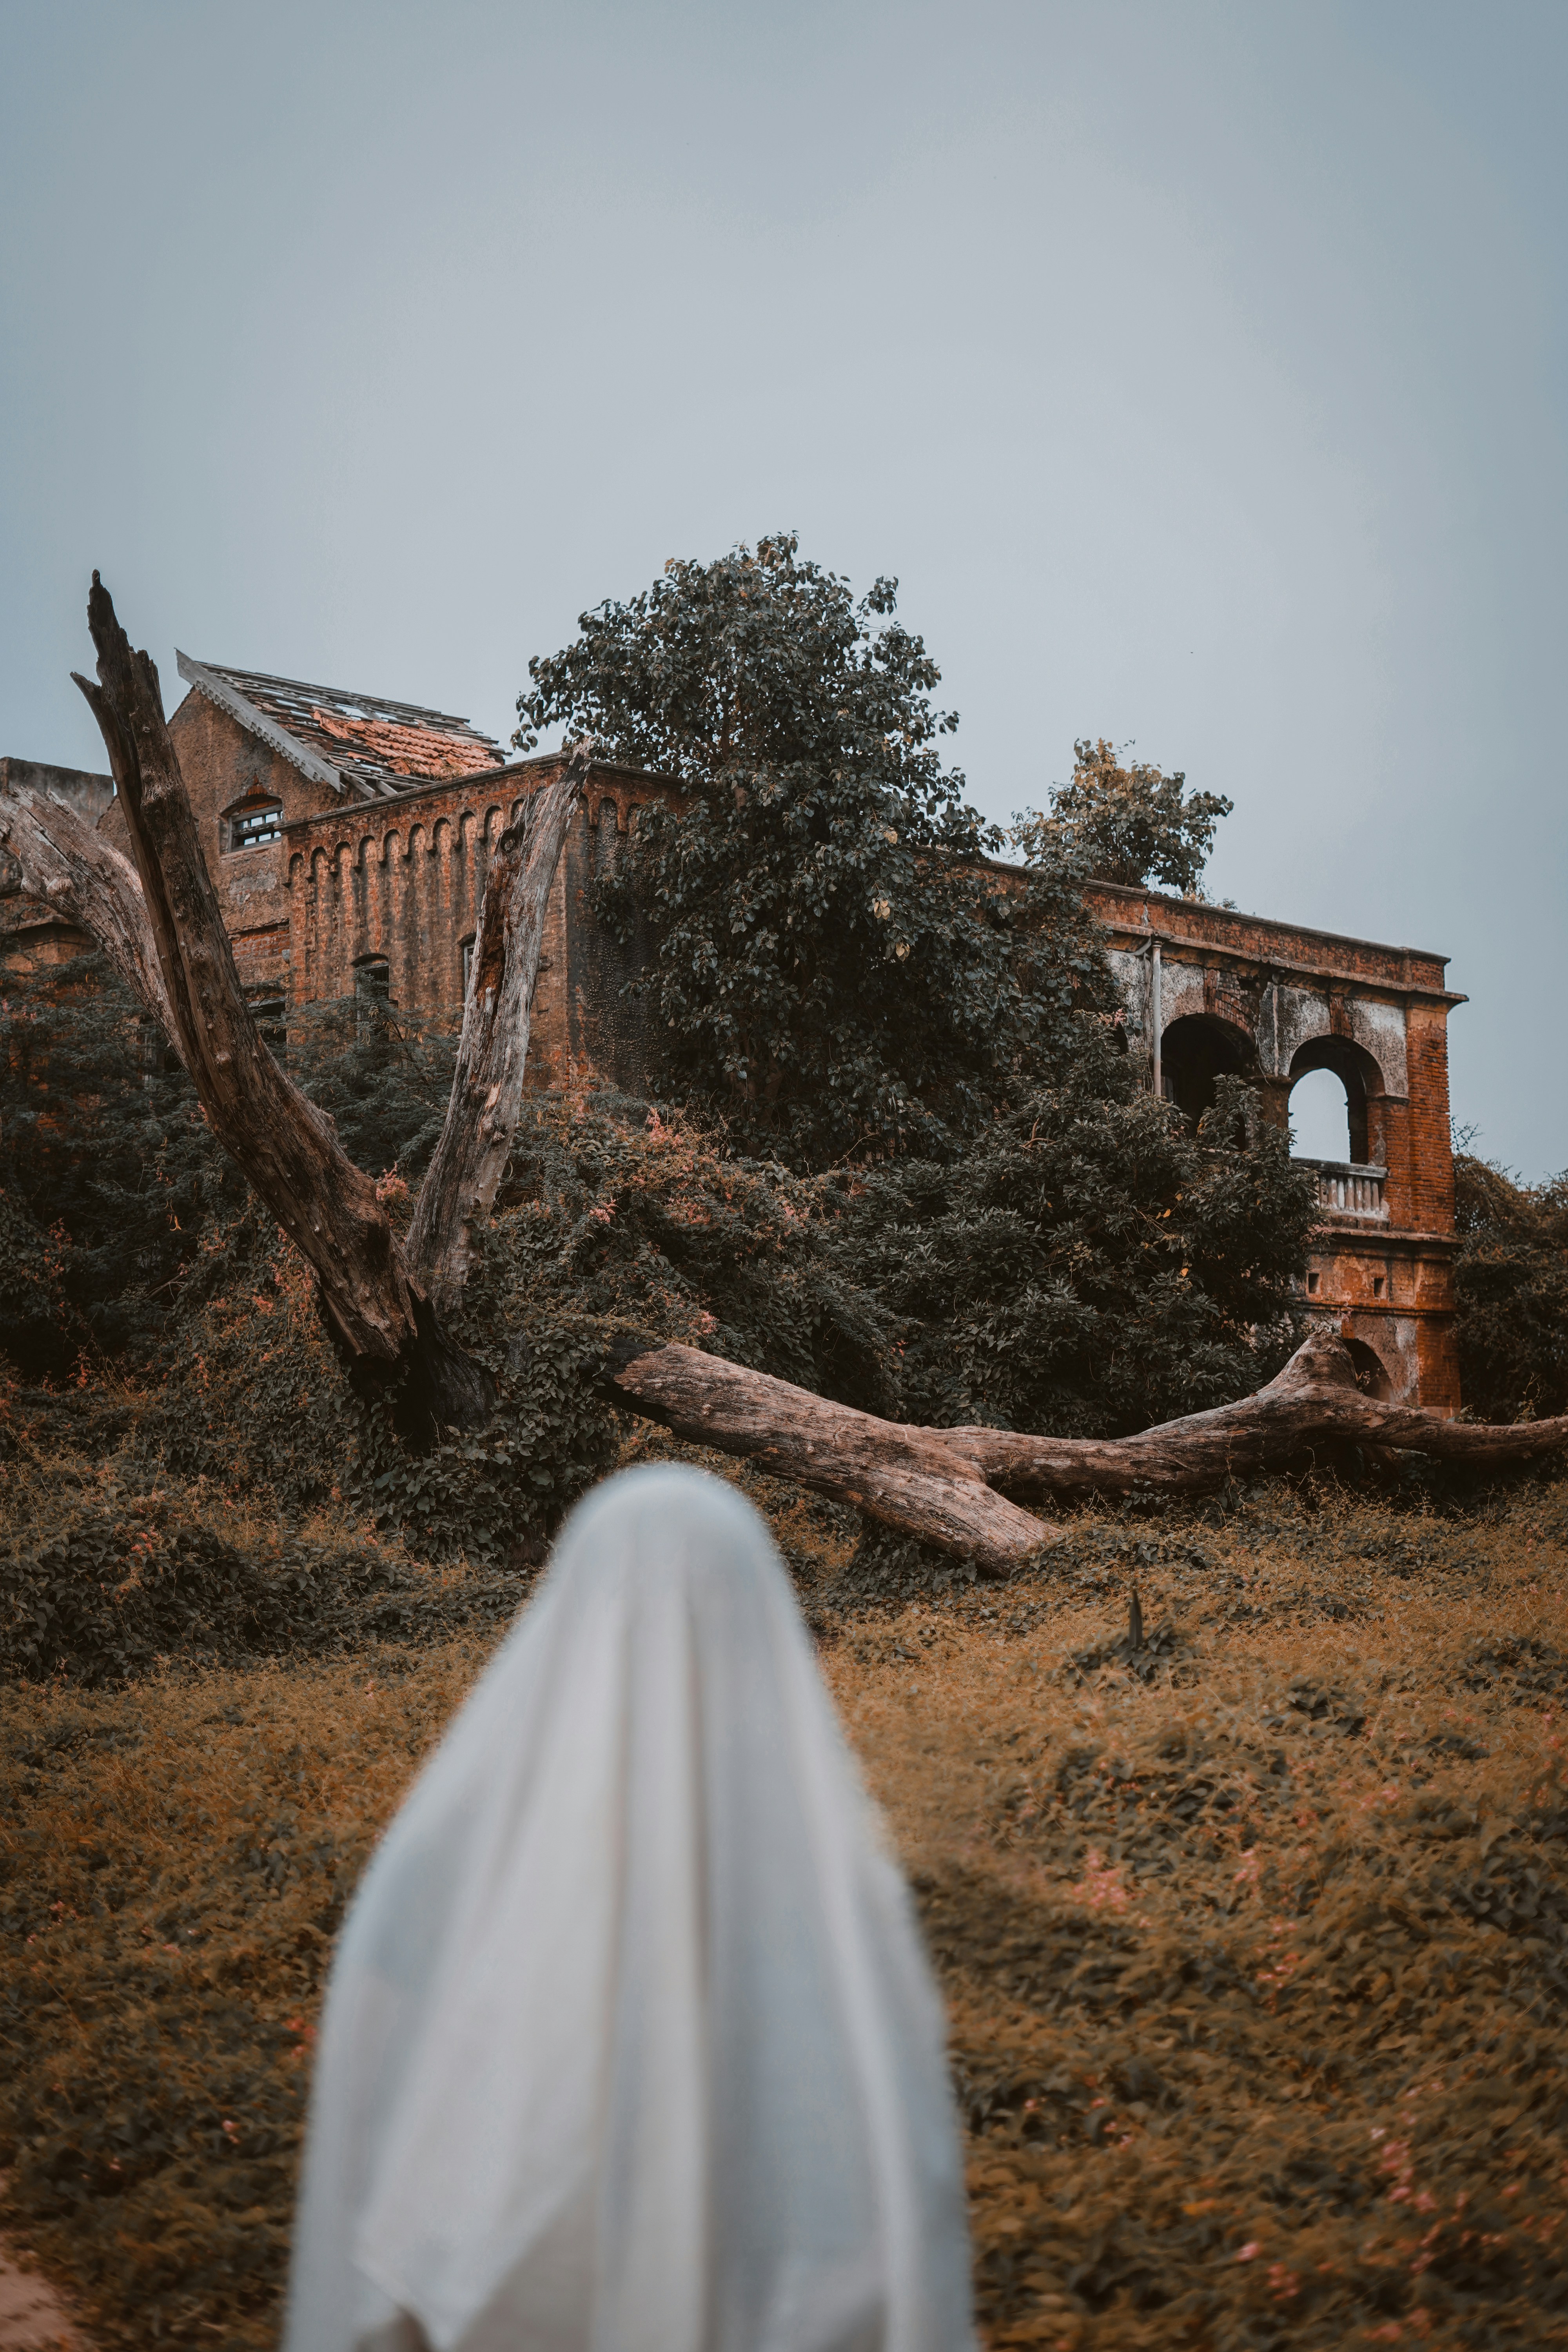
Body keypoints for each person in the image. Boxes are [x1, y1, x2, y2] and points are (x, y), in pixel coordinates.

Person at [283, 1463, 975, 2352]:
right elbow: (878, 2160)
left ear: (572, 1612)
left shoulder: (451, 1850)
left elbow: (391, 2117)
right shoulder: (836, 1888)